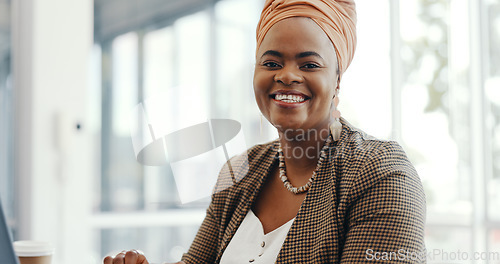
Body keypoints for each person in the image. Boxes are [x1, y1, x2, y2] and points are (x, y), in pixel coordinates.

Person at [104, 0, 426, 263]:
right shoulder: (239, 171)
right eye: (271, 63)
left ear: (338, 80)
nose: (287, 76)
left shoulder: (380, 174)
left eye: (309, 64)